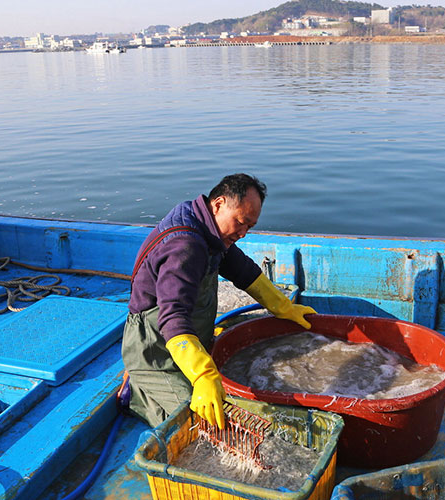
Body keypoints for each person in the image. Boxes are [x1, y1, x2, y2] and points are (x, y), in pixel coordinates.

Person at [122, 173, 316, 429]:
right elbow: (172, 317)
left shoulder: (207, 227)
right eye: (241, 222)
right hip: (156, 351)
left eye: (250, 226)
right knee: (205, 423)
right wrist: (203, 375)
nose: (244, 233)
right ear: (218, 204)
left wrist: (283, 307)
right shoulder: (185, 246)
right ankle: (138, 392)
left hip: (187, 339)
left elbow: (242, 270)